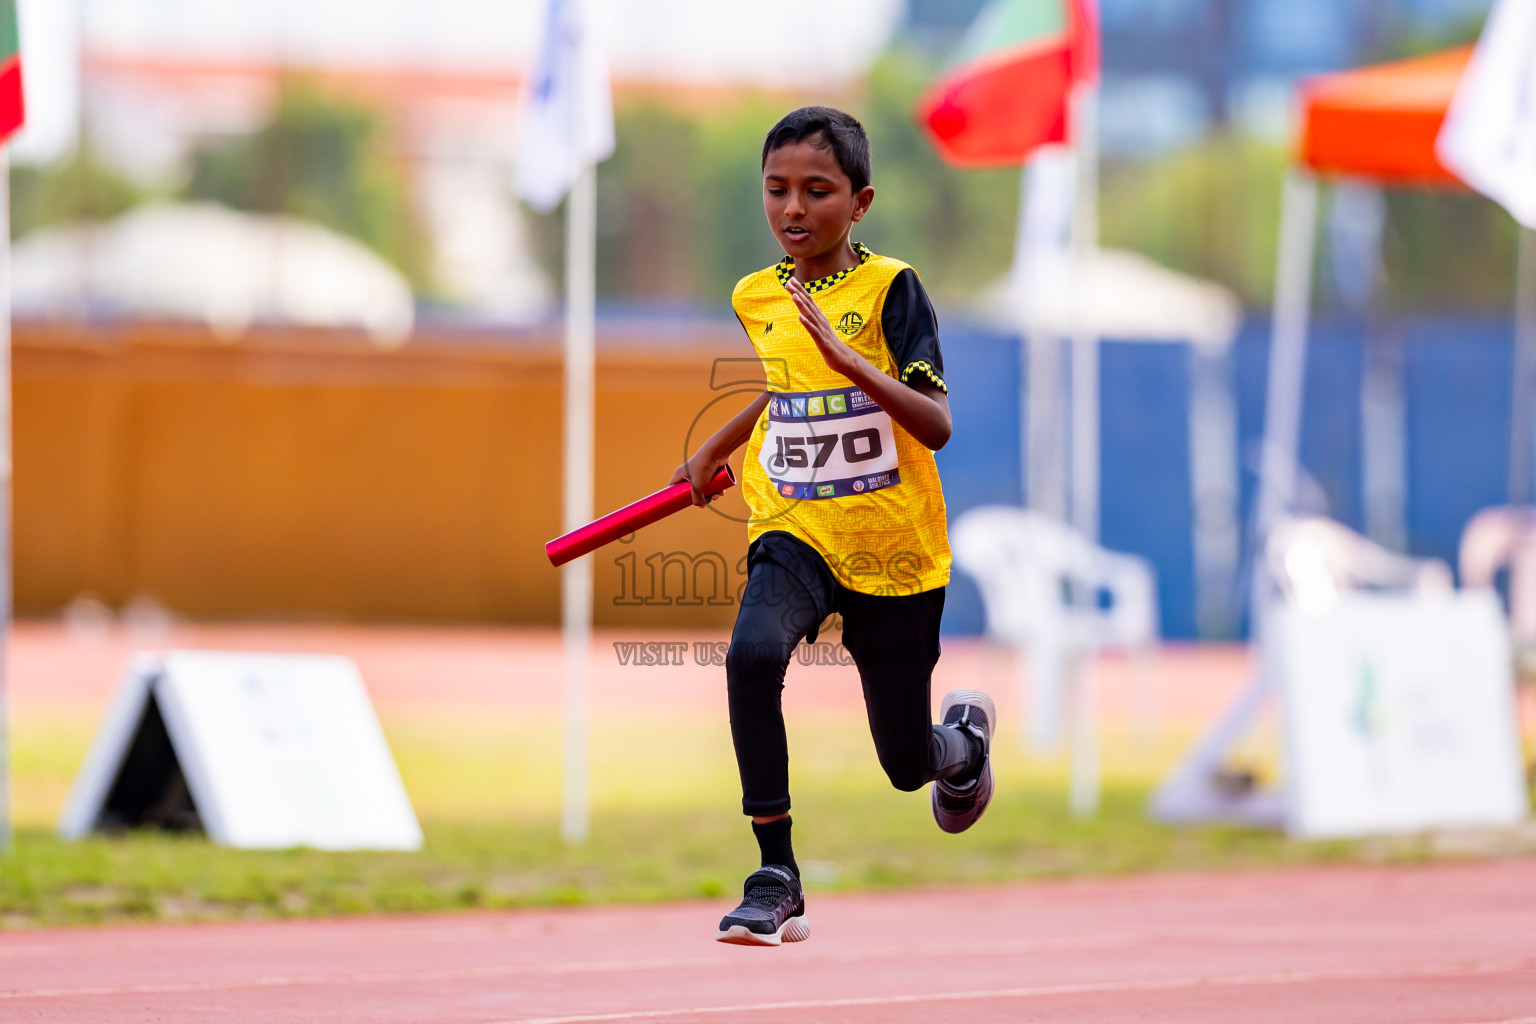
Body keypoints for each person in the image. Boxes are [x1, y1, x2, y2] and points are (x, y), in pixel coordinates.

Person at [671, 106, 995, 947]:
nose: (793, 209)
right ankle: (774, 874)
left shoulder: (895, 289)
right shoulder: (757, 294)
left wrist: (855, 363)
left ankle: (960, 747)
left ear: (860, 202)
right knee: (750, 655)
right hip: (795, 528)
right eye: (776, 190)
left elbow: (936, 423)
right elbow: (786, 387)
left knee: (903, 765)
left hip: (894, 549)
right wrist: (713, 445)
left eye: (818, 191)